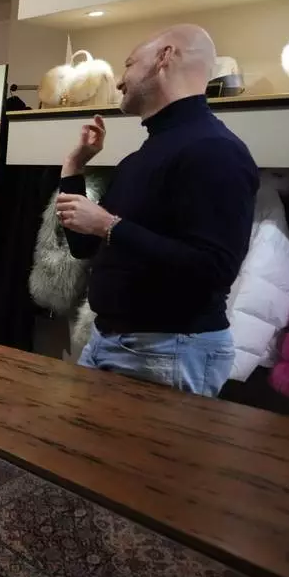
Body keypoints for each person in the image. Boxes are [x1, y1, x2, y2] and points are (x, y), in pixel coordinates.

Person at [55, 24, 258, 397]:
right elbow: (84, 246)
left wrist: (110, 225)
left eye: (129, 64)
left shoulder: (215, 149)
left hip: (168, 350)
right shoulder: (142, 158)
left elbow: (215, 268)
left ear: (165, 57)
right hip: (112, 341)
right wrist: (74, 168)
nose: (120, 81)